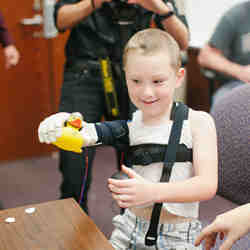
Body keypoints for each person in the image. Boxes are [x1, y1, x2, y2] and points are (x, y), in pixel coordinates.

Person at [38, 28, 218, 249]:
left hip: (179, 237)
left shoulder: (199, 123)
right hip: (129, 229)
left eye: (158, 81)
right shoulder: (132, 125)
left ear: (178, 77)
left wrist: (152, 192)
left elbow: (207, 185)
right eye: (136, 81)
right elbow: (87, 132)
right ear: (125, 77)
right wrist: (63, 123)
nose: (146, 92)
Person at [53, 0, 189, 213]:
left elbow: (183, 41)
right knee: (74, 160)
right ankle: (73, 228)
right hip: (84, 73)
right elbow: (60, 19)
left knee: (138, 161)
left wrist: (159, 7)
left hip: (133, 77)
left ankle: (133, 228)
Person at [198, 1, 250, 111]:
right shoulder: (236, 16)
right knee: (222, 107)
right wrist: (240, 71)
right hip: (238, 84)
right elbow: (205, 56)